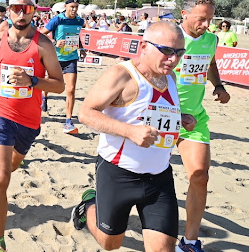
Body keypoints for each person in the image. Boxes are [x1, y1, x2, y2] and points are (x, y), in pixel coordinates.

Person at [72, 21, 197, 251]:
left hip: (160, 177)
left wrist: (182, 118)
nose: (173, 59)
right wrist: (129, 132)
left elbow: (152, 111)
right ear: (144, 46)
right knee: (110, 243)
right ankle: (89, 204)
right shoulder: (122, 74)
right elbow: (86, 113)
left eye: (180, 53)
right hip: (119, 173)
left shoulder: (170, 77)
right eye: (167, 51)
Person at [0, 0, 64, 252]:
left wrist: (33, 80)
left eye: (27, 9)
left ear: (34, 11)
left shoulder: (43, 45)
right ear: (9, 11)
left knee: (10, 168)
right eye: (16, 8)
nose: (21, 14)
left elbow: (59, 85)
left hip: (29, 120)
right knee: (1, 176)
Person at [174, 0, 230, 252]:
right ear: (184, 14)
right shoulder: (167, 37)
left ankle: (190, 241)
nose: (207, 25)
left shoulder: (211, 39)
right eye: (201, 19)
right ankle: (96, 203)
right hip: (158, 115)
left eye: (210, 19)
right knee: (136, 177)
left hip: (194, 118)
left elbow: (210, 63)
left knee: (200, 176)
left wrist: (218, 85)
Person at [39, 0, 87, 134]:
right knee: (49, 82)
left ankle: (68, 121)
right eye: (72, 7)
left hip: (71, 58)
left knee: (71, 89)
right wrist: (55, 43)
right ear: (65, 6)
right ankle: (45, 97)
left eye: (76, 7)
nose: (74, 10)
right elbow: (41, 35)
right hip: (55, 57)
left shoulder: (79, 21)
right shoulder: (58, 19)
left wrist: (81, 48)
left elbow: (76, 37)